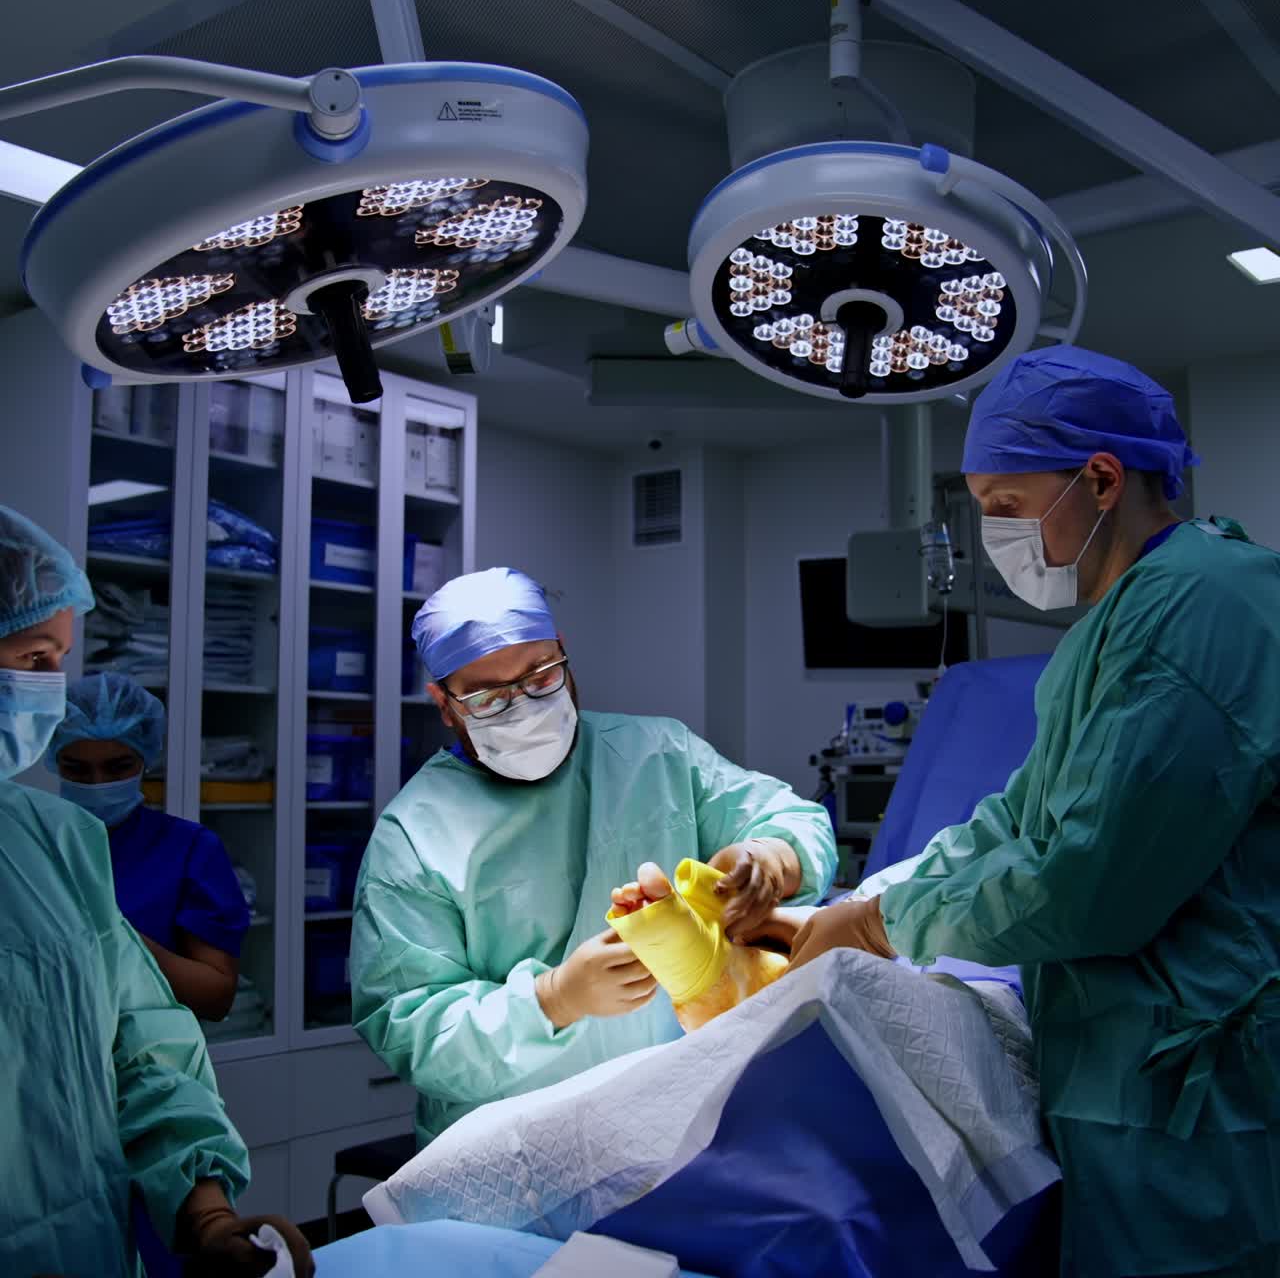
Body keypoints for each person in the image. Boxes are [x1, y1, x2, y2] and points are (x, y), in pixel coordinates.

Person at [786, 346, 1280, 1278]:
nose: (994, 538)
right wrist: (869, 901)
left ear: (1099, 479)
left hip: (1202, 1097)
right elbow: (1020, 817)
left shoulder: (1196, 612)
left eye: (1004, 509)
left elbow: (1089, 882)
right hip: (1137, 1078)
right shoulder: (1122, 620)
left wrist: (890, 924)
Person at [351, 567, 836, 1146]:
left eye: (540, 676)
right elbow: (411, 1028)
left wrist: (771, 858)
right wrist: (553, 1000)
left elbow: (793, 819)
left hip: (683, 1118)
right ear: (445, 704)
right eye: (488, 697)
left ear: (565, 658)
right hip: (517, 1150)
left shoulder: (658, 754)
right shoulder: (415, 836)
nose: (524, 706)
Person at [0, 505, 313, 1277]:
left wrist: (206, 1211)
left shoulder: (56, 845)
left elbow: (142, 1050)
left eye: (58, 662)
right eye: (36, 658)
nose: (49, 690)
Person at [48, 672, 249, 1021]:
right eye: (77, 770)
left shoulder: (188, 849)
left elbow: (216, 996)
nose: (99, 784)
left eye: (117, 767)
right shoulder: (33, 843)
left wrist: (116, 937)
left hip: (141, 1058)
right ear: (54, 760)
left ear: (144, 759)